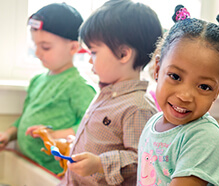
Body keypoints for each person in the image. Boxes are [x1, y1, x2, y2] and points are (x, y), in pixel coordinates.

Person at [57, 0, 163, 185]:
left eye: (94, 52)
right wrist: (76, 145)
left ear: (123, 54)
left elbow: (144, 161)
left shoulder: (138, 107)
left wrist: (99, 164)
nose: (90, 61)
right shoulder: (106, 93)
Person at [137, 5, 219, 186]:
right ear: (158, 69)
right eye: (175, 77)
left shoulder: (205, 137)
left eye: (204, 86)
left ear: (218, 89)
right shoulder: (153, 123)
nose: (185, 96)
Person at [0, 3, 96, 175]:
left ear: (74, 47)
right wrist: (8, 134)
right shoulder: (37, 80)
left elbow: (91, 128)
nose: (37, 52)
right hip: (27, 164)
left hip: (53, 172)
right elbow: (25, 119)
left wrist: (54, 134)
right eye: (35, 45)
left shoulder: (79, 86)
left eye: (45, 47)